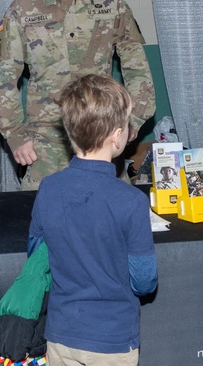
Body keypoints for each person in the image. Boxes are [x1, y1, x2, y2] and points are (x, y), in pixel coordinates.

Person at [0, 0, 155, 190]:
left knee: (111, 221)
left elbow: (137, 67)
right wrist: (15, 135)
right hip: (46, 141)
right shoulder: (22, 9)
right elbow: (4, 77)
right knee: (43, 226)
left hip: (102, 136)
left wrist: (134, 119)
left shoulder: (109, 3)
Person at [28, 74, 157, 366]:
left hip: (61, 333)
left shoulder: (48, 188)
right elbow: (144, 281)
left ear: (70, 133)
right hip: (112, 338)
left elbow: (37, 255)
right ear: (117, 136)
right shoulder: (132, 201)